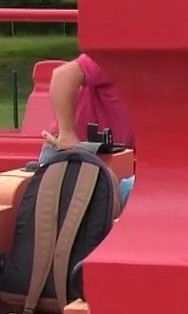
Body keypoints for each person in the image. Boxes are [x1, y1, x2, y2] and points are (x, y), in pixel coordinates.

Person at [40, 53, 137, 205]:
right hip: (70, 155)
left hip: (115, 161)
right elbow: (62, 76)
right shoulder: (122, 55)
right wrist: (67, 134)